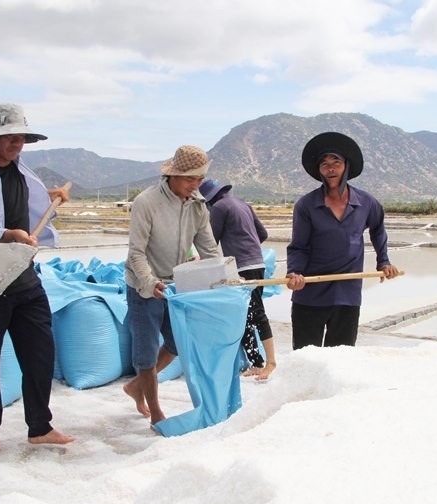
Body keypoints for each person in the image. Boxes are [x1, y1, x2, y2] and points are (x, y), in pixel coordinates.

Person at [0, 103, 74, 452]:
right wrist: (13, 235)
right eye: (9, 137)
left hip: (24, 276)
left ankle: (40, 426)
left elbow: (29, 202)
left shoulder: (22, 171)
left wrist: (51, 197)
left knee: (40, 352)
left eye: (20, 137)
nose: (16, 143)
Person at [122, 145, 220, 425]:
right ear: (173, 176)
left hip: (175, 286)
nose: (196, 185)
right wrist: (149, 281)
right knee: (145, 351)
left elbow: (209, 249)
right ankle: (155, 411)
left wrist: (223, 276)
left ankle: (136, 387)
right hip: (144, 285)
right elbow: (136, 252)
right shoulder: (147, 202)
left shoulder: (198, 205)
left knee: (177, 342)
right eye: (190, 179)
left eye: (200, 179)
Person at [285, 132, 400, 349]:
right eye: (324, 164)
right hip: (311, 292)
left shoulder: (366, 202)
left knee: (341, 361)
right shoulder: (307, 205)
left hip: (347, 293)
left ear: (346, 166)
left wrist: (383, 261)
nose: (330, 168)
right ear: (319, 170)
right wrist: (295, 272)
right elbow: (299, 246)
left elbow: (378, 229)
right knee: (306, 358)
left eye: (336, 162)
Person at [198, 179, 277, 380]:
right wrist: (247, 244)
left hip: (242, 267)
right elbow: (263, 233)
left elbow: (211, 240)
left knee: (255, 312)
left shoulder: (219, 207)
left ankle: (270, 363)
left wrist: (197, 261)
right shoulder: (242, 204)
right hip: (257, 263)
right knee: (244, 313)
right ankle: (256, 362)